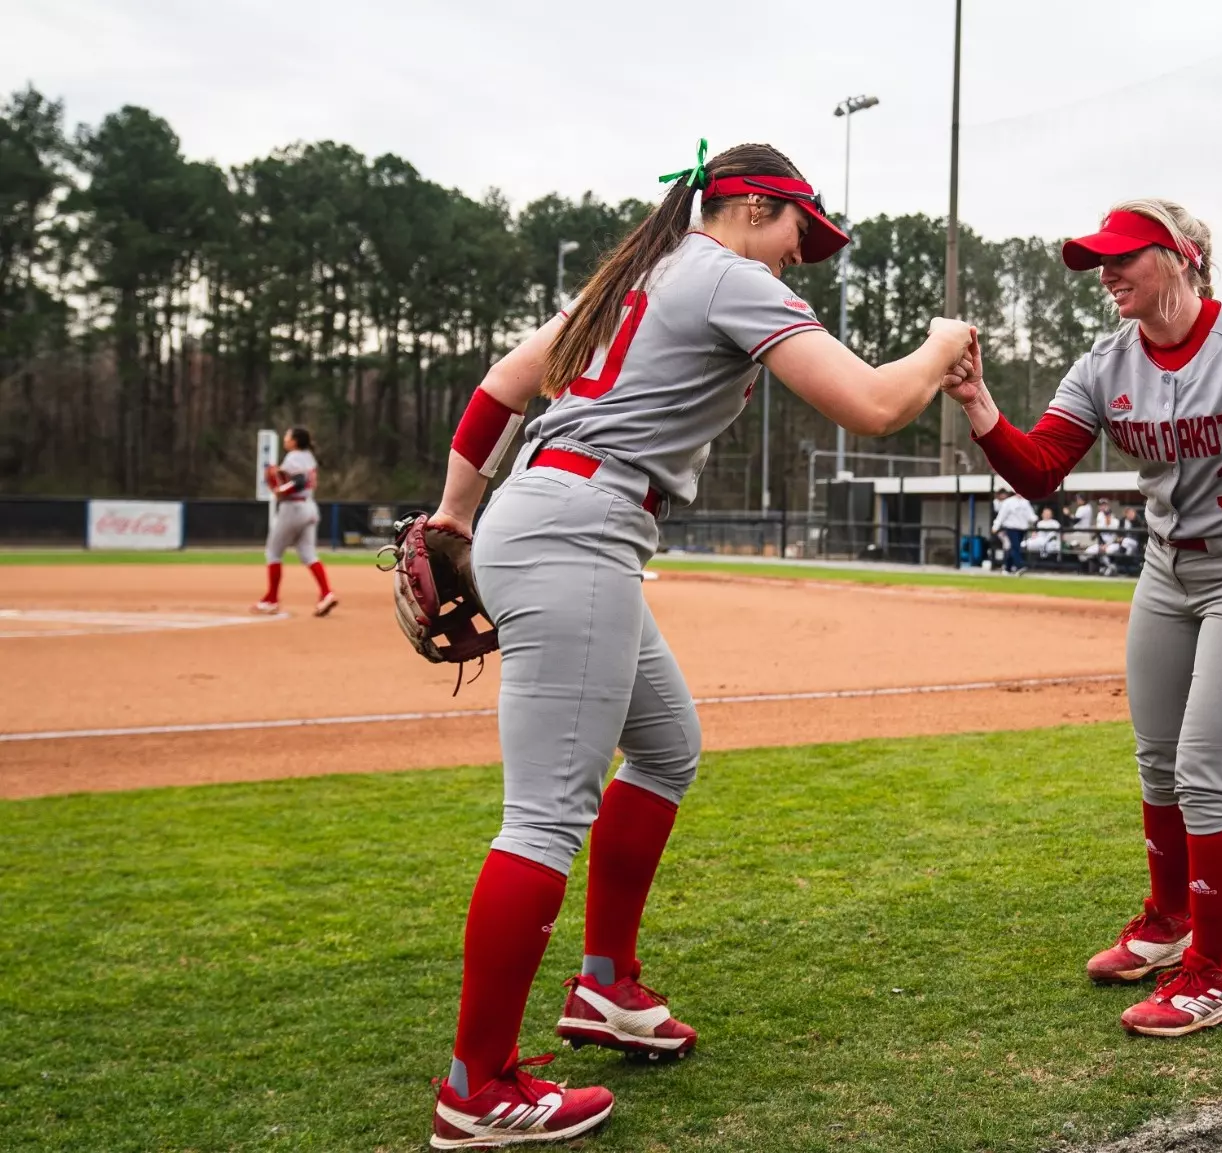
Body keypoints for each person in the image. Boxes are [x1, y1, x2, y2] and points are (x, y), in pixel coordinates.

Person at [419, 140, 976, 1148]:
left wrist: (457, 518)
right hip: (580, 528)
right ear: (756, 206)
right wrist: (944, 341)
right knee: (545, 817)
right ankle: (477, 1087)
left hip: (558, 514)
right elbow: (879, 405)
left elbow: (503, 383)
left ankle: (602, 987)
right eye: (799, 233)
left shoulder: (642, 270)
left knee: (667, 745)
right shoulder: (724, 270)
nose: (798, 258)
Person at [944, 198, 1222, 1037]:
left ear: (1184, 256)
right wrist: (980, 405)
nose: (1106, 274)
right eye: (1098, 263)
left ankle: (1214, 975)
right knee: (1155, 761)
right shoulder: (1103, 363)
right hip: (1166, 570)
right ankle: (1168, 922)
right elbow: (1044, 469)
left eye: (1123, 257)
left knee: (1203, 772)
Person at [253, 426, 337, 617]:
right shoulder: (308, 456)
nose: (285, 439)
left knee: (273, 553)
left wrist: (282, 490)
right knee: (308, 554)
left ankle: (272, 600)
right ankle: (326, 593)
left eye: (288, 437)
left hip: (293, 508)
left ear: (295, 441)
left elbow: (298, 481)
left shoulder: (294, 457)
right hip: (309, 507)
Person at [992, 484, 1037, 574]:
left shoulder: (1025, 502)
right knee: (1015, 547)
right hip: (1011, 528)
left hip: (1022, 528)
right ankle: (1019, 566)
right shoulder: (1008, 502)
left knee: (1014, 548)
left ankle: (1007, 568)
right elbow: (1001, 516)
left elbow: (1030, 515)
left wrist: (1035, 519)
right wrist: (995, 526)